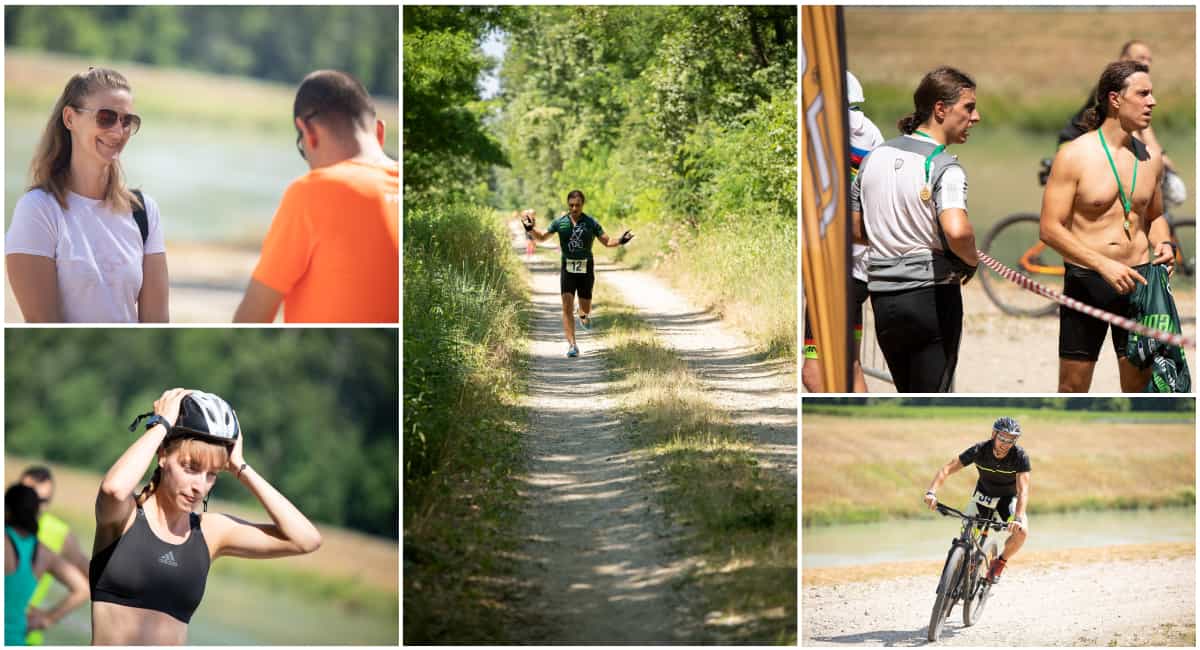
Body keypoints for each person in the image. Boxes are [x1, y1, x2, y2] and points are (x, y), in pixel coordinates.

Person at [91, 389, 322, 644]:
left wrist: (240, 467)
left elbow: (306, 540)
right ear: (163, 455)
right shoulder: (124, 516)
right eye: (191, 468)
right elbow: (113, 488)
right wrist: (161, 425)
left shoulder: (210, 532)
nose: (200, 486)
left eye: (212, 474)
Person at [1040, 60, 1172, 392]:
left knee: (1139, 388)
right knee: (1072, 387)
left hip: (1140, 282)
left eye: (1152, 93)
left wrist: (1165, 244)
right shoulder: (1074, 155)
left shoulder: (1150, 158)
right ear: (1115, 99)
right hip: (1089, 281)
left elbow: (1154, 217)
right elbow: (1050, 228)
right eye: (1142, 94)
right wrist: (1103, 264)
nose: (1152, 102)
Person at [234, 69, 399, 323]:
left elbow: (252, 317)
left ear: (307, 130)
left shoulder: (313, 191)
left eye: (302, 149)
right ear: (379, 132)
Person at [851, 67, 980, 392]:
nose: (975, 117)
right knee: (935, 394)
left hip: (883, 301)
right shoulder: (944, 166)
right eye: (968, 107)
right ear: (940, 109)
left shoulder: (873, 157)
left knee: (907, 392)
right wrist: (971, 261)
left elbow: (855, 230)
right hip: (931, 297)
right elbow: (958, 231)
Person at [6, 66, 168, 323]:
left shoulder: (144, 212)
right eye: (106, 117)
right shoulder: (38, 210)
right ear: (70, 118)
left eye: (127, 121)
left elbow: (157, 325)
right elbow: (43, 326)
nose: (118, 131)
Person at [803, 71, 883, 393]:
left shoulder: (822, 129)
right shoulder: (871, 133)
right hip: (859, 266)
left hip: (833, 269)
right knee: (849, 364)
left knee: (814, 372)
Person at [523, 190, 633, 357]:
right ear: (568, 205)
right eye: (571, 205)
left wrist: (621, 240)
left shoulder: (591, 223)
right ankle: (572, 345)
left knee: (585, 308)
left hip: (586, 268)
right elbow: (542, 237)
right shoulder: (560, 222)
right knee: (566, 307)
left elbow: (607, 241)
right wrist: (530, 229)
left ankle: (583, 314)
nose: (574, 208)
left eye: (577, 205)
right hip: (567, 269)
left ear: (583, 205)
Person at [923, 417, 1030, 584]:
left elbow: (1023, 490)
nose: (1006, 443)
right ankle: (963, 565)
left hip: (1007, 499)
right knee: (967, 535)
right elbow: (947, 469)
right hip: (983, 496)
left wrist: (1017, 518)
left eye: (1011, 439)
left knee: (1022, 532)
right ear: (994, 434)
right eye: (1002, 437)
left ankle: (999, 563)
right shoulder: (979, 450)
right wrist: (931, 492)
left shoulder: (1019, 456)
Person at [6, 484, 90, 646]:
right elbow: (83, 588)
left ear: (7, 509)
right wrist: (48, 619)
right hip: (17, 640)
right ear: (37, 513)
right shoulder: (43, 552)